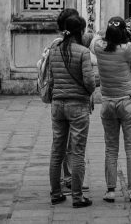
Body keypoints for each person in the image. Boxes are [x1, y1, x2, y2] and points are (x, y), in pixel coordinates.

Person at [91, 16, 131, 203]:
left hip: (107, 102)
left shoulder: (99, 47)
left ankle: (110, 190)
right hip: (127, 102)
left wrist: (107, 31)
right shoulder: (127, 49)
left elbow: (95, 37)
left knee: (111, 147)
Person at [48, 14, 95, 208]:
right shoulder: (83, 52)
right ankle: (77, 196)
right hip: (77, 106)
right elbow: (90, 83)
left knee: (57, 150)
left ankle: (56, 193)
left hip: (57, 105)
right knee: (77, 152)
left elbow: (51, 78)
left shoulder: (54, 49)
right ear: (80, 31)